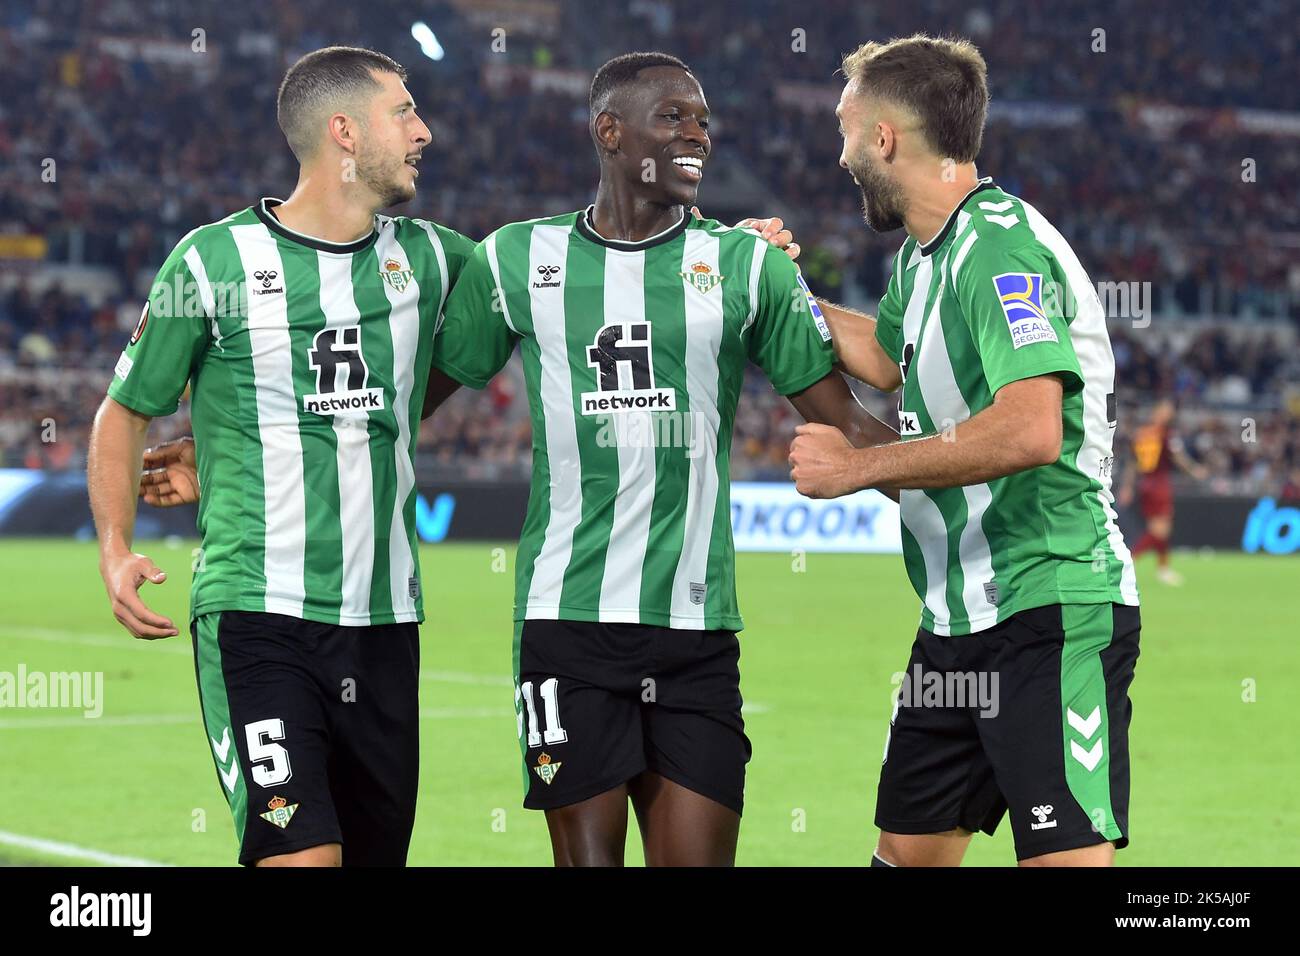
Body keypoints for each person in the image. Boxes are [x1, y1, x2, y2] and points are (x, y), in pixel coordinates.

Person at [423, 52, 898, 866]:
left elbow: (850, 424)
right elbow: (406, 404)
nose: (697, 136)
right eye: (673, 117)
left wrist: (973, 479)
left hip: (695, 631)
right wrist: (225, 446)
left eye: (704, 121)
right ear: (610, 131)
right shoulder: (513, 261)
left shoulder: (746, 266)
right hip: (566, 624)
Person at [89, 46, 475, 867]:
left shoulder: (437, 259)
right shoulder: (213, 264)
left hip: (384, 621)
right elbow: (125, 410)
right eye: (403, 112)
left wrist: (733, 244)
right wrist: (116, 547)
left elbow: (563, 277)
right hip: (258, 612)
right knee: (301, 857)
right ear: (344, 132)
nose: (425, 132)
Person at [787, 34, 1140, 866]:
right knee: (906, 855)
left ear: (884, 139)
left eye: (844, 132)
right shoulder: (927, 256)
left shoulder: (999, 251)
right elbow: (884, 356)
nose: (840, 158)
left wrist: (856, 466)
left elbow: (1031, 427)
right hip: (957, 620)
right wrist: (776, 285)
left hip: (1048, 603)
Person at [1118, 398, 1209, 585]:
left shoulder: (1141, 433)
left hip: (1144, 484)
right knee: (1160, 530)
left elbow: (1132, 463)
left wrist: (1127, 486)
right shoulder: (1166, 434)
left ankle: (1163, 568)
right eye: (1166, 410)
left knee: (1160, 529)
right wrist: (1195, 470)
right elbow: (1178, 458)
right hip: (1158, 484)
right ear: (1158, 411)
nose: (1169, 414)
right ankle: (1130, 560)